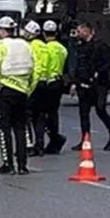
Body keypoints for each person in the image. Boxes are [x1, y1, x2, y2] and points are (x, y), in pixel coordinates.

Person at [0, 17, 37, 175]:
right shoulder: (26, 45)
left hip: (5, 92)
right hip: (22, 93)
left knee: (4, 129)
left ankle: (8, 164)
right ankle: (22, 166)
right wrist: (28, 90)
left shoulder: (1, 45)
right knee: (20, 129)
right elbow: (35, 71)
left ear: (2, 31)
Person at [72, 21, 110, 150]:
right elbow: (79, 66)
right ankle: (85, 140)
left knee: (100, 109)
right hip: (83, 84)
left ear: (87, 31)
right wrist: (75, 83)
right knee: (84, 113)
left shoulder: (100, 46)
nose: (77, 34)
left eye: (79, 31)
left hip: (99, 84)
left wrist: (99, 72)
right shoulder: (80, 47)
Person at [40, 20, 70, 155]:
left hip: (47, 82)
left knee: (42, 113)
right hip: (58, 82)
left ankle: (53, 138)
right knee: (53, 112)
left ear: (43, 33)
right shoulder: (62, 49)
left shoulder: (45, 48)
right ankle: (54, 139)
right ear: (56, 33)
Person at [21, 21, 48, 157]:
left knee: (26, 116)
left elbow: (30, 66)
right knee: (40, 116)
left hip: (33, 83)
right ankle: (40, 145)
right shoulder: (44, 46)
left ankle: (29, 145)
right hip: (45, 84)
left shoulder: (28, 46)